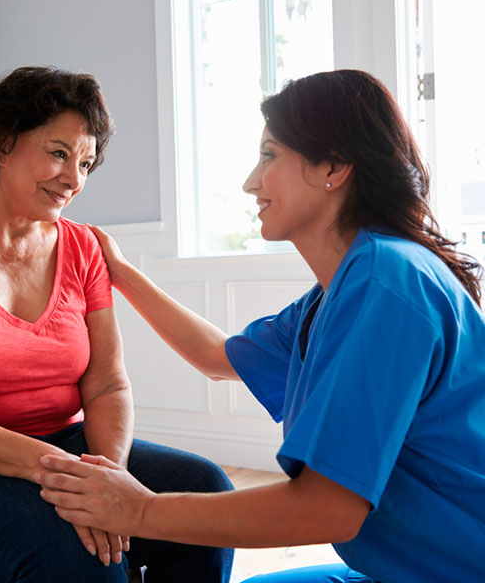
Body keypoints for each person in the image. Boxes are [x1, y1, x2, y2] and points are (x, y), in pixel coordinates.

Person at [33, 69, 485, 582]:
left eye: (269, 155)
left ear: (333, 166)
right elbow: (216, 356)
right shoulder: (342, 290)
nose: (251, 181)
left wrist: (137, 509)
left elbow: (326, 508)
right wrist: (121, 272)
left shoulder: (387, 283)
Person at [0, 66, 234, 583]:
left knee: (205, 492)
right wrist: (66, 475)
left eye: (87, 162)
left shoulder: (82, 246)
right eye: (58, 153)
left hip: (55, 443)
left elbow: (108, 381)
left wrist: (108, 475)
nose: (74, 179)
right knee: (79, 551)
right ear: (3, 142)